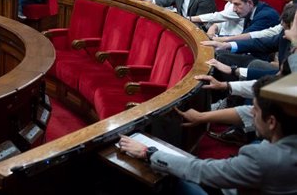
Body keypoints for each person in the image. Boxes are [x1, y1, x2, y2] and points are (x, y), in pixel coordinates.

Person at [118, 75, 297, 195]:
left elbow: (201, 171)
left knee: (169, 179)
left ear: (272, 122)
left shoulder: (263, 159)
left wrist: (148, 153)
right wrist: (203, 117)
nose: (252, 114)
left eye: (256, 111)